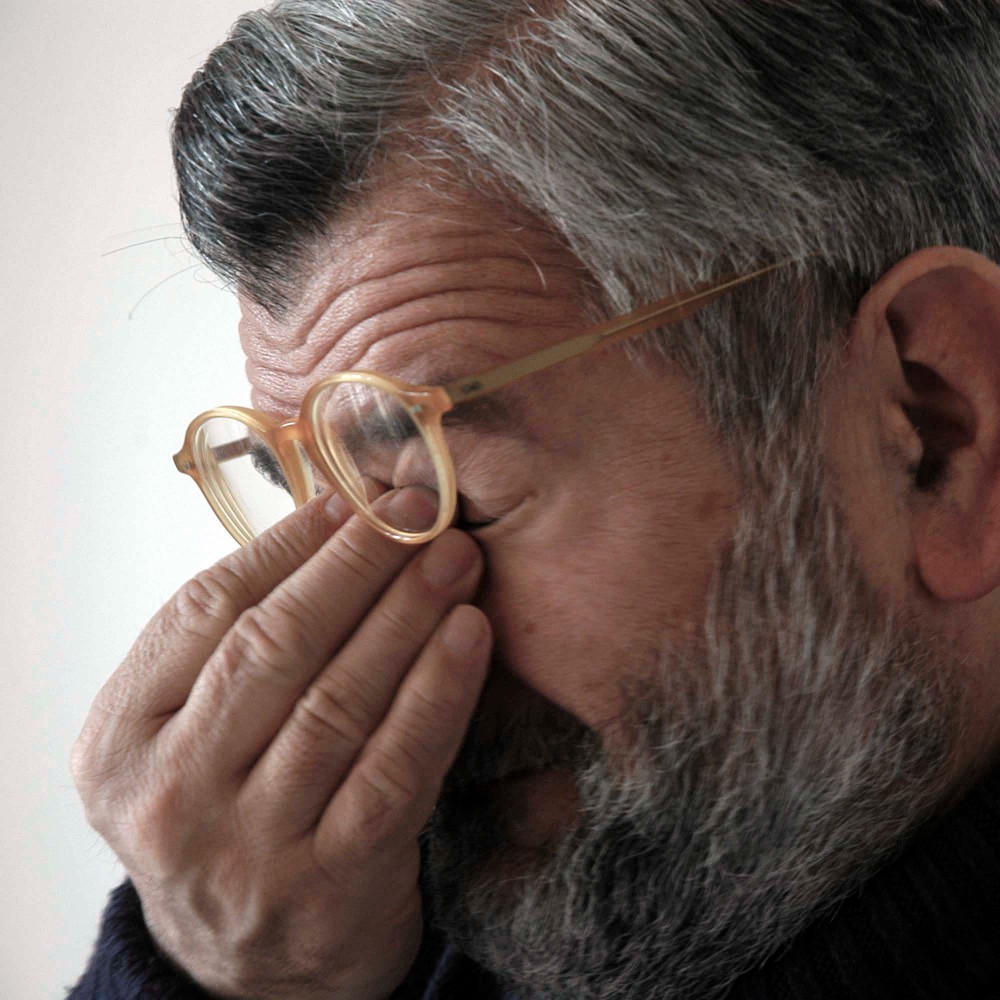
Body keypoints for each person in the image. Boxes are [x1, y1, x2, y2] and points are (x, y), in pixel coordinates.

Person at [69, 2, 1000, 998]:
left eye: (460, 498)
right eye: (312, 501)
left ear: (935, 434)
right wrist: (230, 978)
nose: (359, 665)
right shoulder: (318, 932)